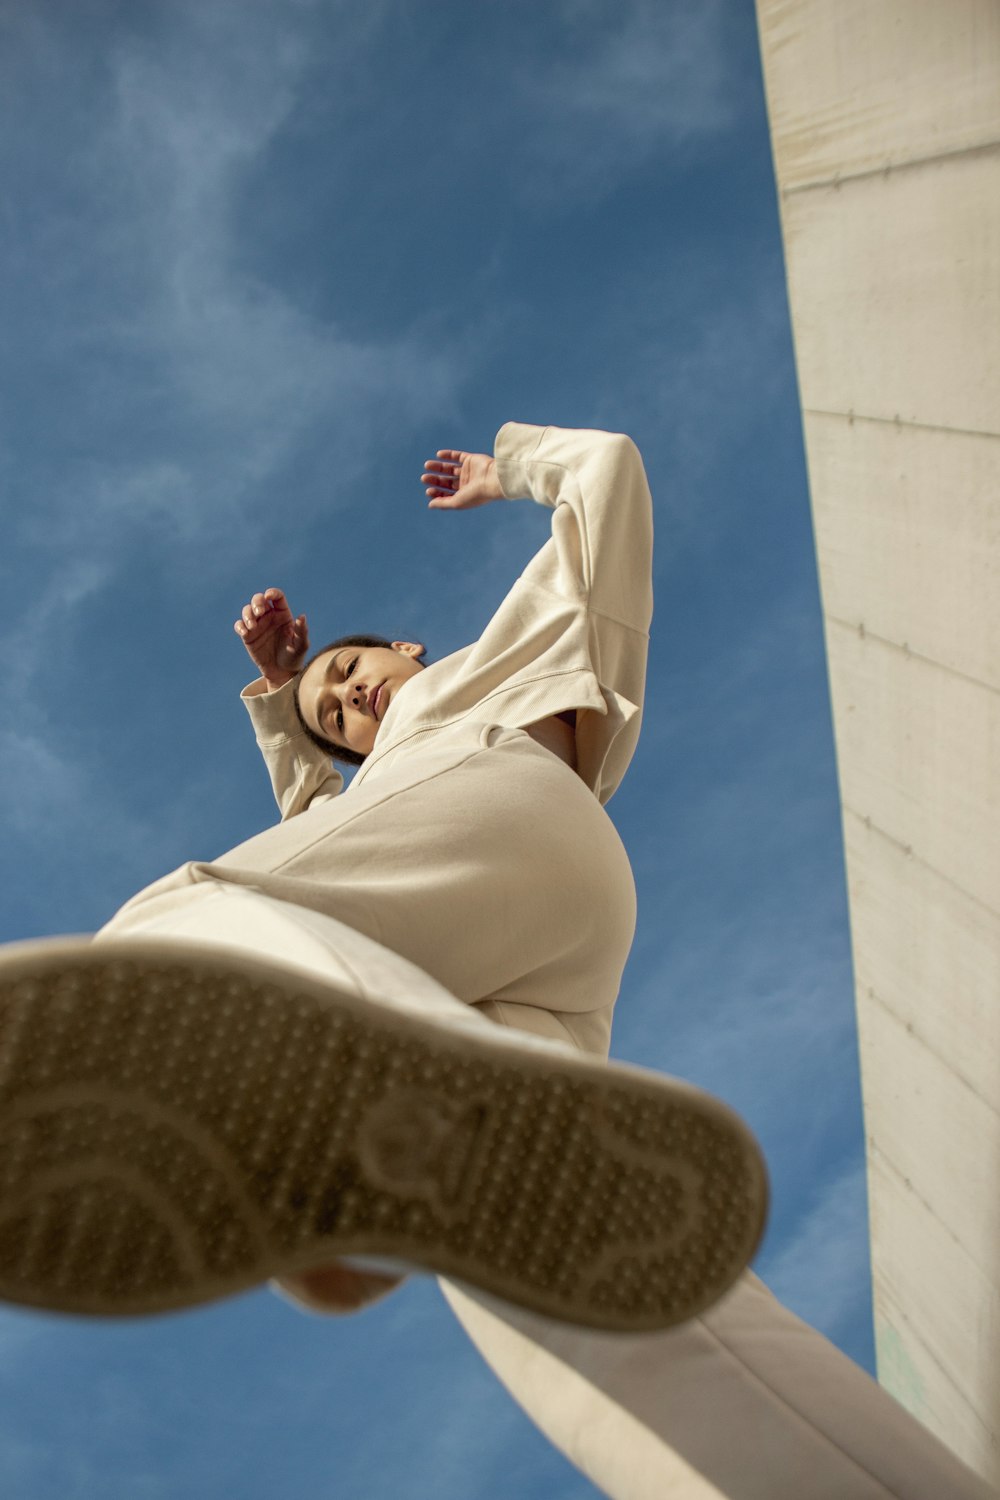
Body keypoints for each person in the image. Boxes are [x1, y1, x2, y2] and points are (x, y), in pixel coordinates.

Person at [0, 425, 990, 1498]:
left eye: (349, 673)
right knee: (573, 1290)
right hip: (541, 956)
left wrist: (505, 469)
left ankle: (331, 1114)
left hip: (502, 804)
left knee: (192, 915)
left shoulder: (497, 656)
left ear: (404, 650)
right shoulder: (382, 788)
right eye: (333, 713)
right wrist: (288, 708)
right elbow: (333, 842)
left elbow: (608, 469)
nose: (347, 701)